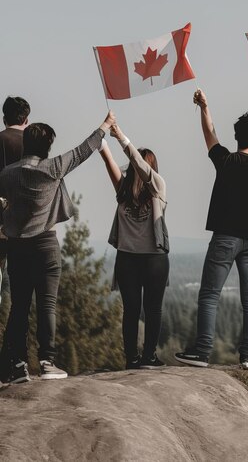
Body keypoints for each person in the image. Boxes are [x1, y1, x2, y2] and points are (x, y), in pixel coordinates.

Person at [0, 110, 115, 383]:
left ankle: (16, 366)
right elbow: (83, 150)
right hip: (46, 246)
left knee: (19, 307)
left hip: (17, 247)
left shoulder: (7, 174)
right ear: (48, 146)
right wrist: (106, 125)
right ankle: (47, 362)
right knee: (47, 305)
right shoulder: (53, 167)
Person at [176, 90, 248, 370]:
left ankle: (203, 352)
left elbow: (209, 132)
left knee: (209, 294)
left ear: (236, 136)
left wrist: (205, 106)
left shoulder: (225, 160)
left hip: (226, 235)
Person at [98, 124, 169, 370]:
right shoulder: (124, 190)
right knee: (140, 310)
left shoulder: (157, 187)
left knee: (144, 310)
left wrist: (119, 137)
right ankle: (138, 357)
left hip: (144, 259)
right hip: (138, 260)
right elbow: (109, 162)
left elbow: (136, 164)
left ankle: (142, 357)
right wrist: (103, 136)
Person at [0, 97, 30, 308]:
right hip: (27, 226)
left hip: (0, 225)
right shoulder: (34, 145)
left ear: (4, 119)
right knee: (21, 288)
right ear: (26, 119)